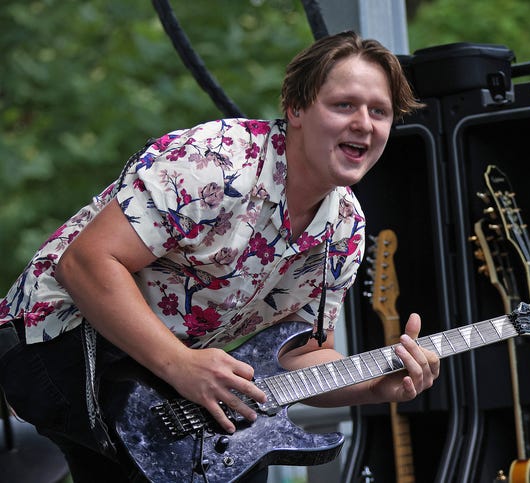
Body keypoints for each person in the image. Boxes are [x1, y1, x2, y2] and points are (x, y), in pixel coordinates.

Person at [0, 31, 439, 482]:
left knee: (243, 457)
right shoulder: (218, 160)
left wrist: (374, 386)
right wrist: (182, 364)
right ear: (297, 108)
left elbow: (297, 357)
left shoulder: (345, 230)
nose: (364, 123)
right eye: (344, 105)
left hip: (159, 370)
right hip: (57, 335)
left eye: (379, 112)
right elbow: (85, 263)